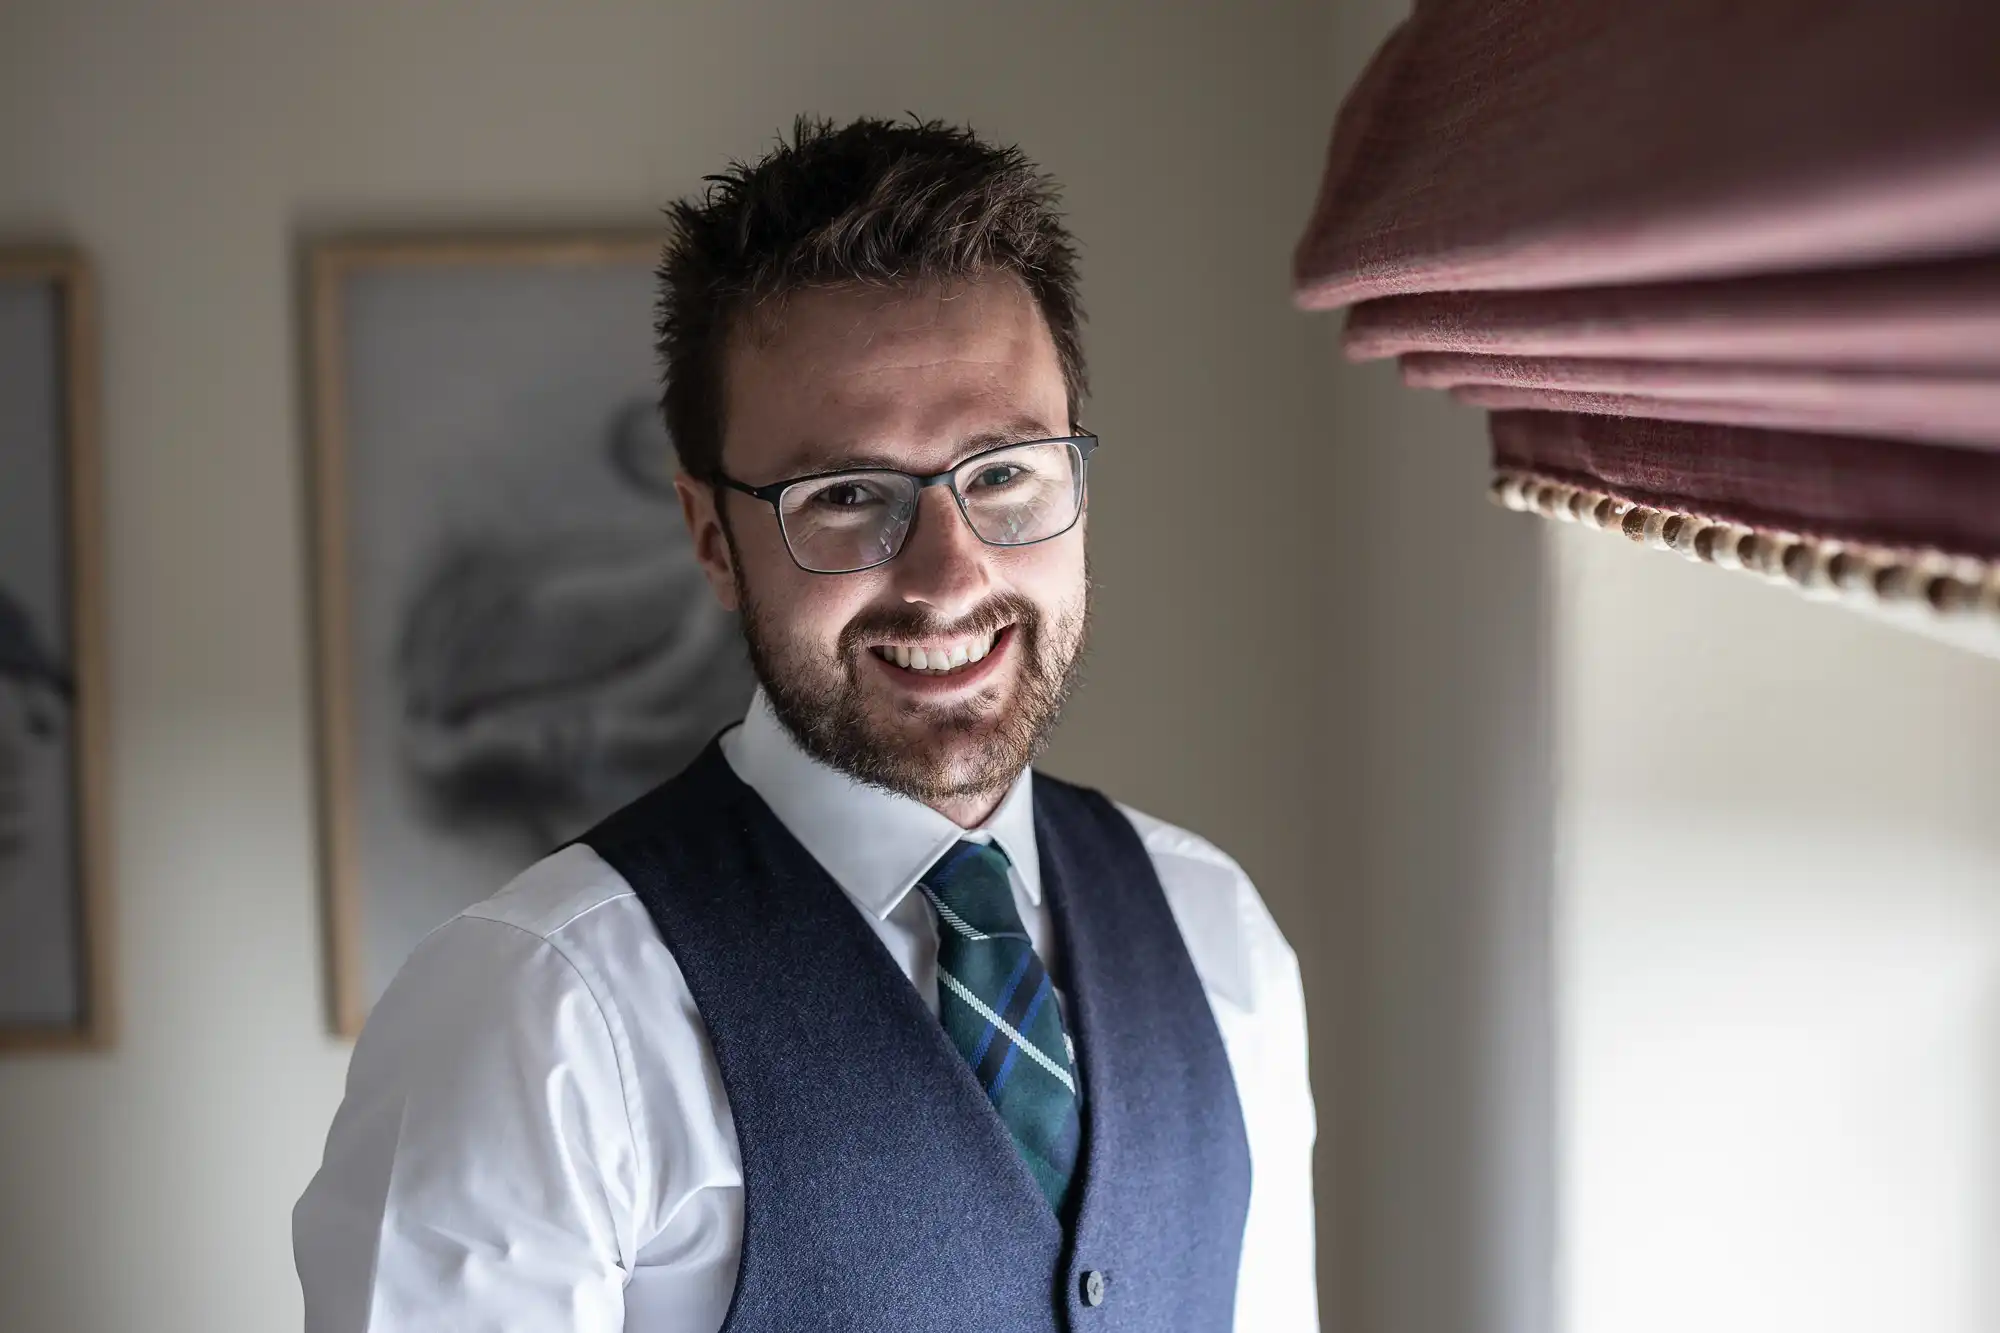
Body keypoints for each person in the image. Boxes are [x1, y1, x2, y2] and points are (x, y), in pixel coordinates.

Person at [293, 116, 1317, 1332]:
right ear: (712, 536)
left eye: (1002, 473)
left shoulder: (1216, 931)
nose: (946, 576)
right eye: (845, 495)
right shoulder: (542, 1009)